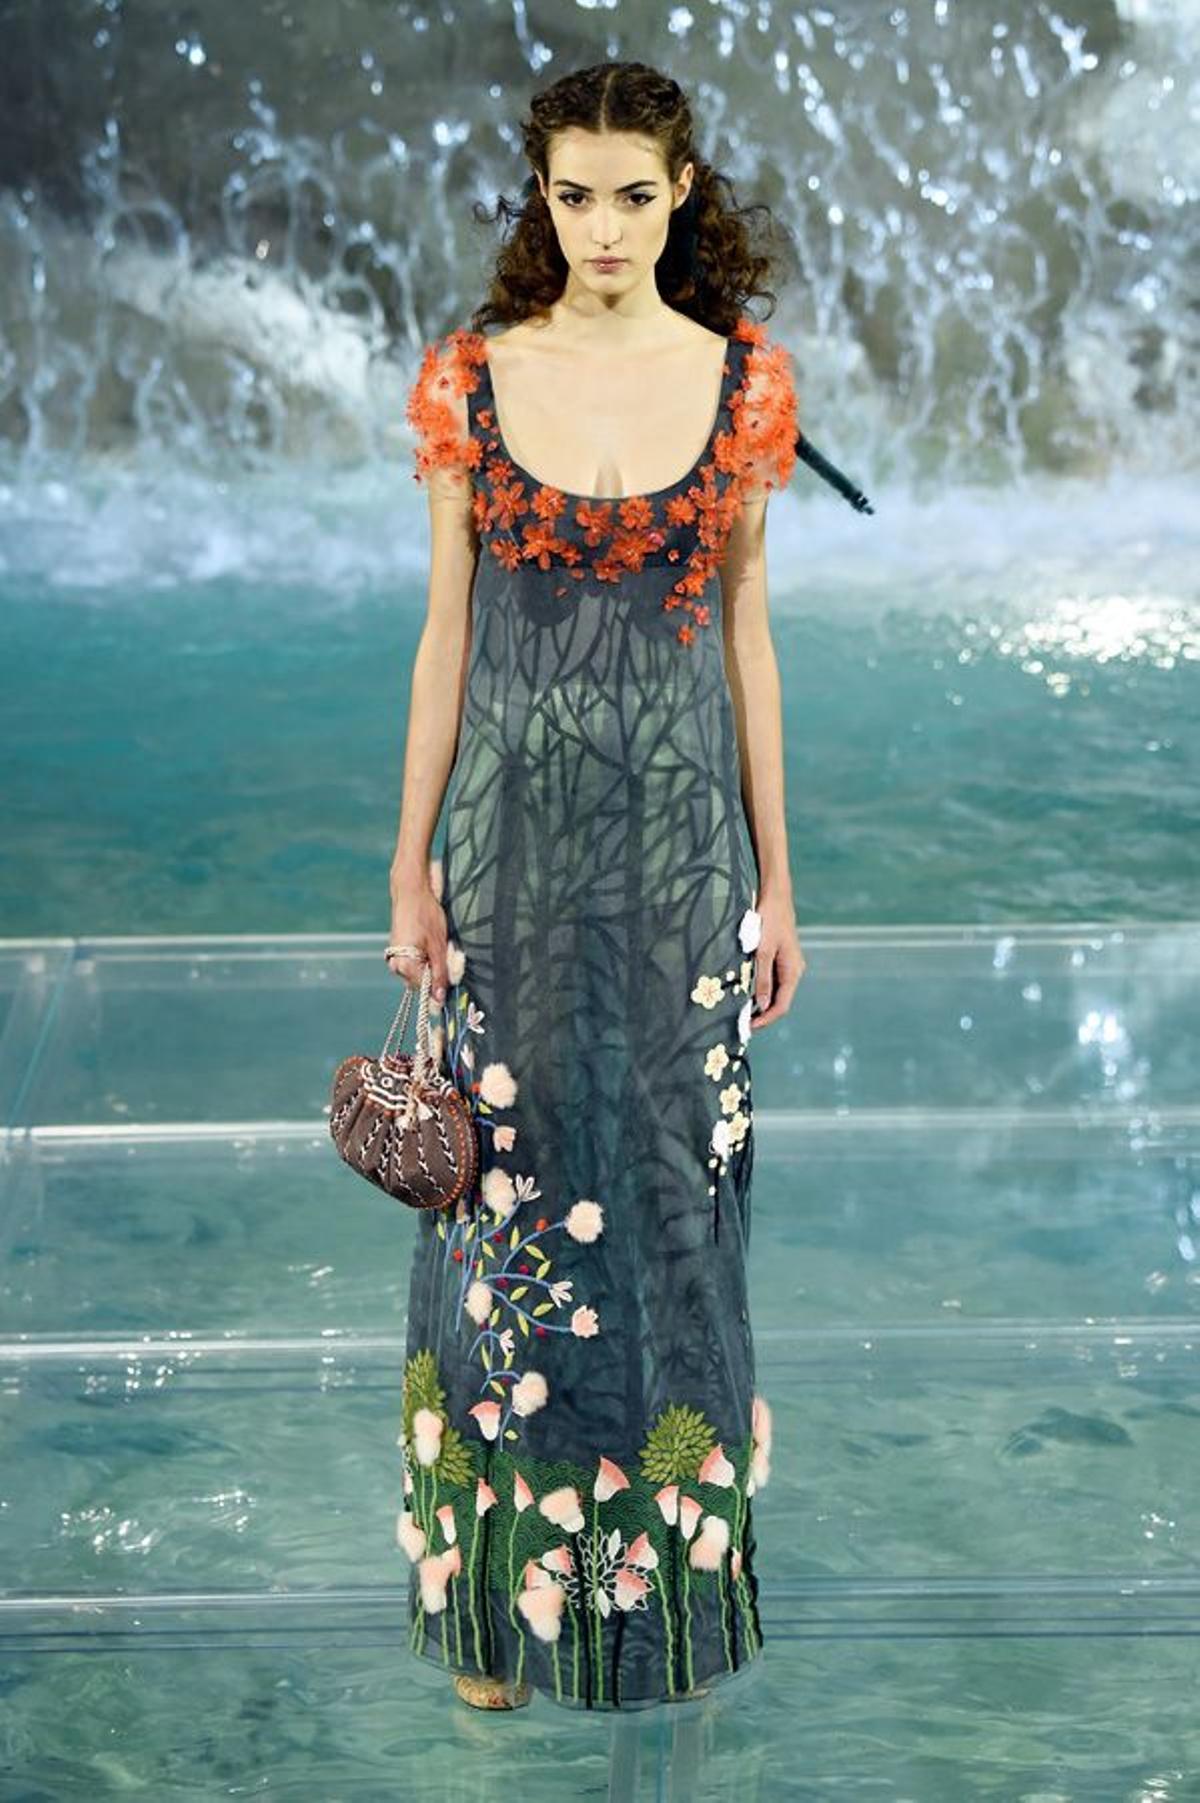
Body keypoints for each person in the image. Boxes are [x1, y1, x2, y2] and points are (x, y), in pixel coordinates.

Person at [388, 58, 807, 1713]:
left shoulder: (749, 383)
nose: (607, 226)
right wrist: (408, 860)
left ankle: (661, 1621)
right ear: (539, 197)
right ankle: (493, 1623)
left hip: (691, 858)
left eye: (638, 194)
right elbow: (447, 634)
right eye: (577, 194)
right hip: (506, 855)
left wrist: (785, 882)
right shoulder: (469, 381)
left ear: (684, 192)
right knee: (500, 1209)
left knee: (673, 1210)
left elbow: (753, 646)